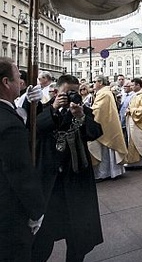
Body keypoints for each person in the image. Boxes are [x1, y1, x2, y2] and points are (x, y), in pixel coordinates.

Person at [31, 74, 104, 262]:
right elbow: (36, 129)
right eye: (68, 93)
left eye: (76, 92)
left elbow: (95, 132)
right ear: (56, 92)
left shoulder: (83, 111)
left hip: (75, 180)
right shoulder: (44, 110)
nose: (73, 97)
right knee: (43, 234)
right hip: (51, 183)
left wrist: (80, 116)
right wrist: (54, 109)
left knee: (78, 235)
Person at [0, 57, 45, 261]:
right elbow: (20, 172)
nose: (21, 82)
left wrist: (29, 103)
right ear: (5, 82)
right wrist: (36, 211)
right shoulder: (9, 123)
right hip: (9, 214)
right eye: (18, 77)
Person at [89, 75, 127, 181]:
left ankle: (104, 173)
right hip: (107, 124)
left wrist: (88, 111)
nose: (93, 84)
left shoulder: (104, 93)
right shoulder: (104, 92)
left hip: (105, 125)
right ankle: (108, 172)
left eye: (95, 81)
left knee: (105, 150)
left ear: (100, 82)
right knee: (105, 150)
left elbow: (99, 109)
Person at [125, 78, 142, 167]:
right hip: (132, 121)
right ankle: (133, 160)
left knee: (139, 140)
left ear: (138, 85)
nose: (131, 87)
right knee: (132, 140)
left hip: (138, 123)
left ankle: (141, 161)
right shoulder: (135, 95)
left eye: (132, 85)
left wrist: (131, 110)